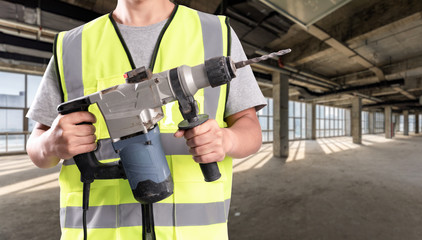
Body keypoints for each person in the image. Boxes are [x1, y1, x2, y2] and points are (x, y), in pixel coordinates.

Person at [26, 0, 266, 239]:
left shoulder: (216, 32)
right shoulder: (72, 45)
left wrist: (227, 140)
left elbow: (251, 131)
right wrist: (50, 144)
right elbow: (37, 147)